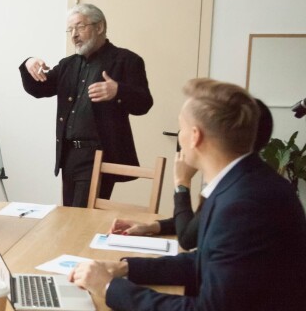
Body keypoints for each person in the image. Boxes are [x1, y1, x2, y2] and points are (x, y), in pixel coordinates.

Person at [70, 79, 306, 310]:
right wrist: (125, 268)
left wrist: (110, 287)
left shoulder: (244, 203)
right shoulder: (243, 181)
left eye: (181, 127)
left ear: (195, 136)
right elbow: (204, 260)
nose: (179, 136)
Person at [19, 3, 153, 207]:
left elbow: (144, 103)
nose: (73, 35)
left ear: (99, 27)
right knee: (70, 216)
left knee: (81, 218)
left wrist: (118, 91)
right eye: (70, 29)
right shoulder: (68, 65)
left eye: (79, 27)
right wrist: (28, 63)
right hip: (69, 155)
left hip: (99, 156)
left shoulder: (126, 60)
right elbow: (39, 89)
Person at [109, 99, 273, 250]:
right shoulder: (242, 175)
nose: (180, 135)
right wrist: (151, 227)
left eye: (183, 126)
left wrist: (182, 183)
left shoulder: (241, 192)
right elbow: (200, 223)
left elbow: (188, 239)